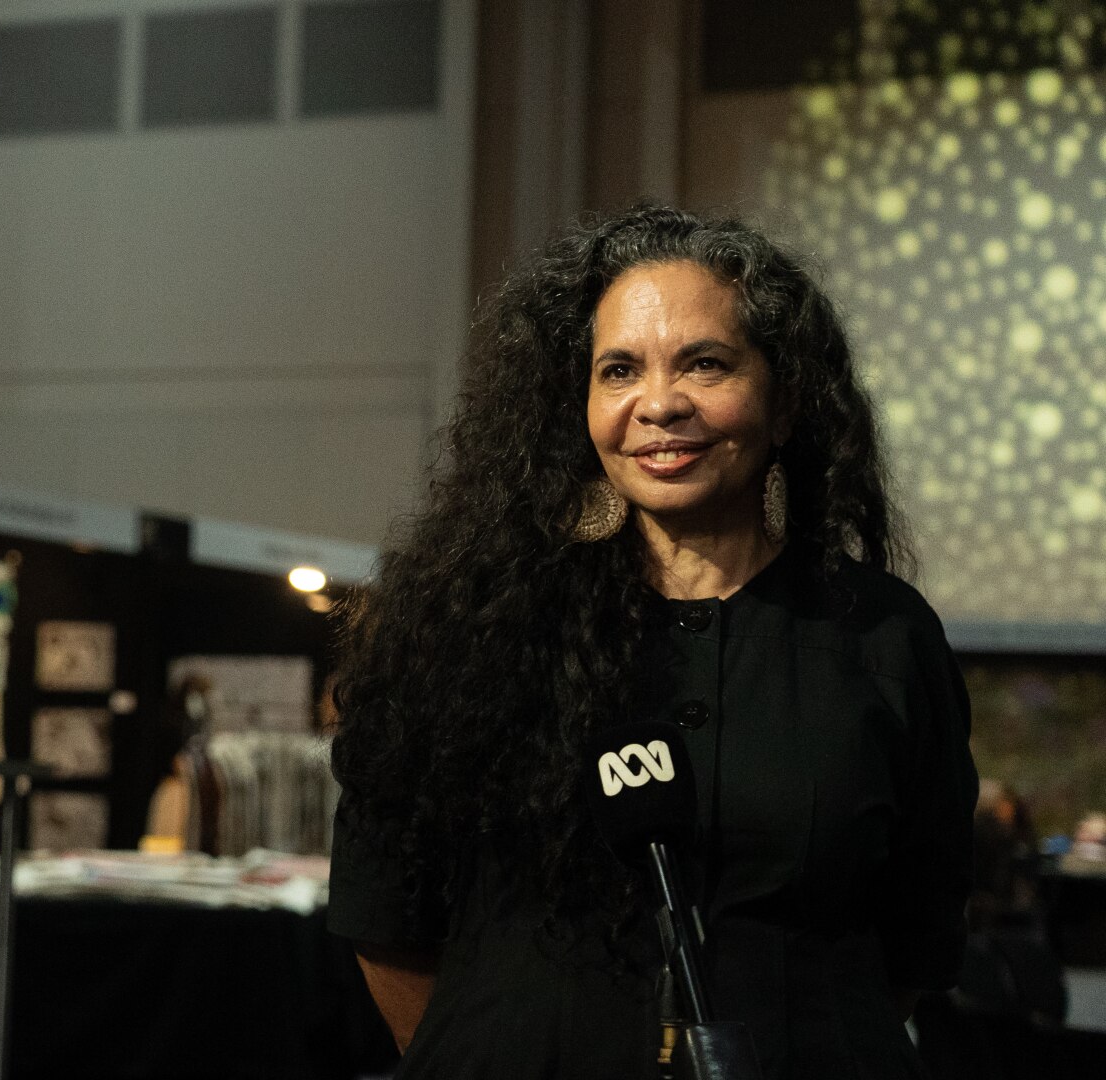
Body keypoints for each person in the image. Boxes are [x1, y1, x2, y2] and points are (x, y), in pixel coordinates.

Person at [328, 206, 977, 1078]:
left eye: (706, 363)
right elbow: (386, 916)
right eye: (619, 370)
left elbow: (918, 933)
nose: (660, 404)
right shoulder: (465, 627)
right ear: (581, 407)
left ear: (785, 402)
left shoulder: (886, 637)